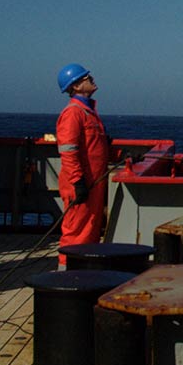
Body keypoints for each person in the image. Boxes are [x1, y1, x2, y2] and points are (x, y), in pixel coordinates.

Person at [54, 63, 114, 267]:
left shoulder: (89, 112)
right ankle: (65, 276)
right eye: (86, 77)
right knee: (76, 233)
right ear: (76, 86)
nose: (91, 78)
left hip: (93, 184)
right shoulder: (73, 113)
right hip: (81, 184)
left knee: (90, 232)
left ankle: (84, 276)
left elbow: (92, 147)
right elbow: (68, 151)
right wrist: (77, 181)